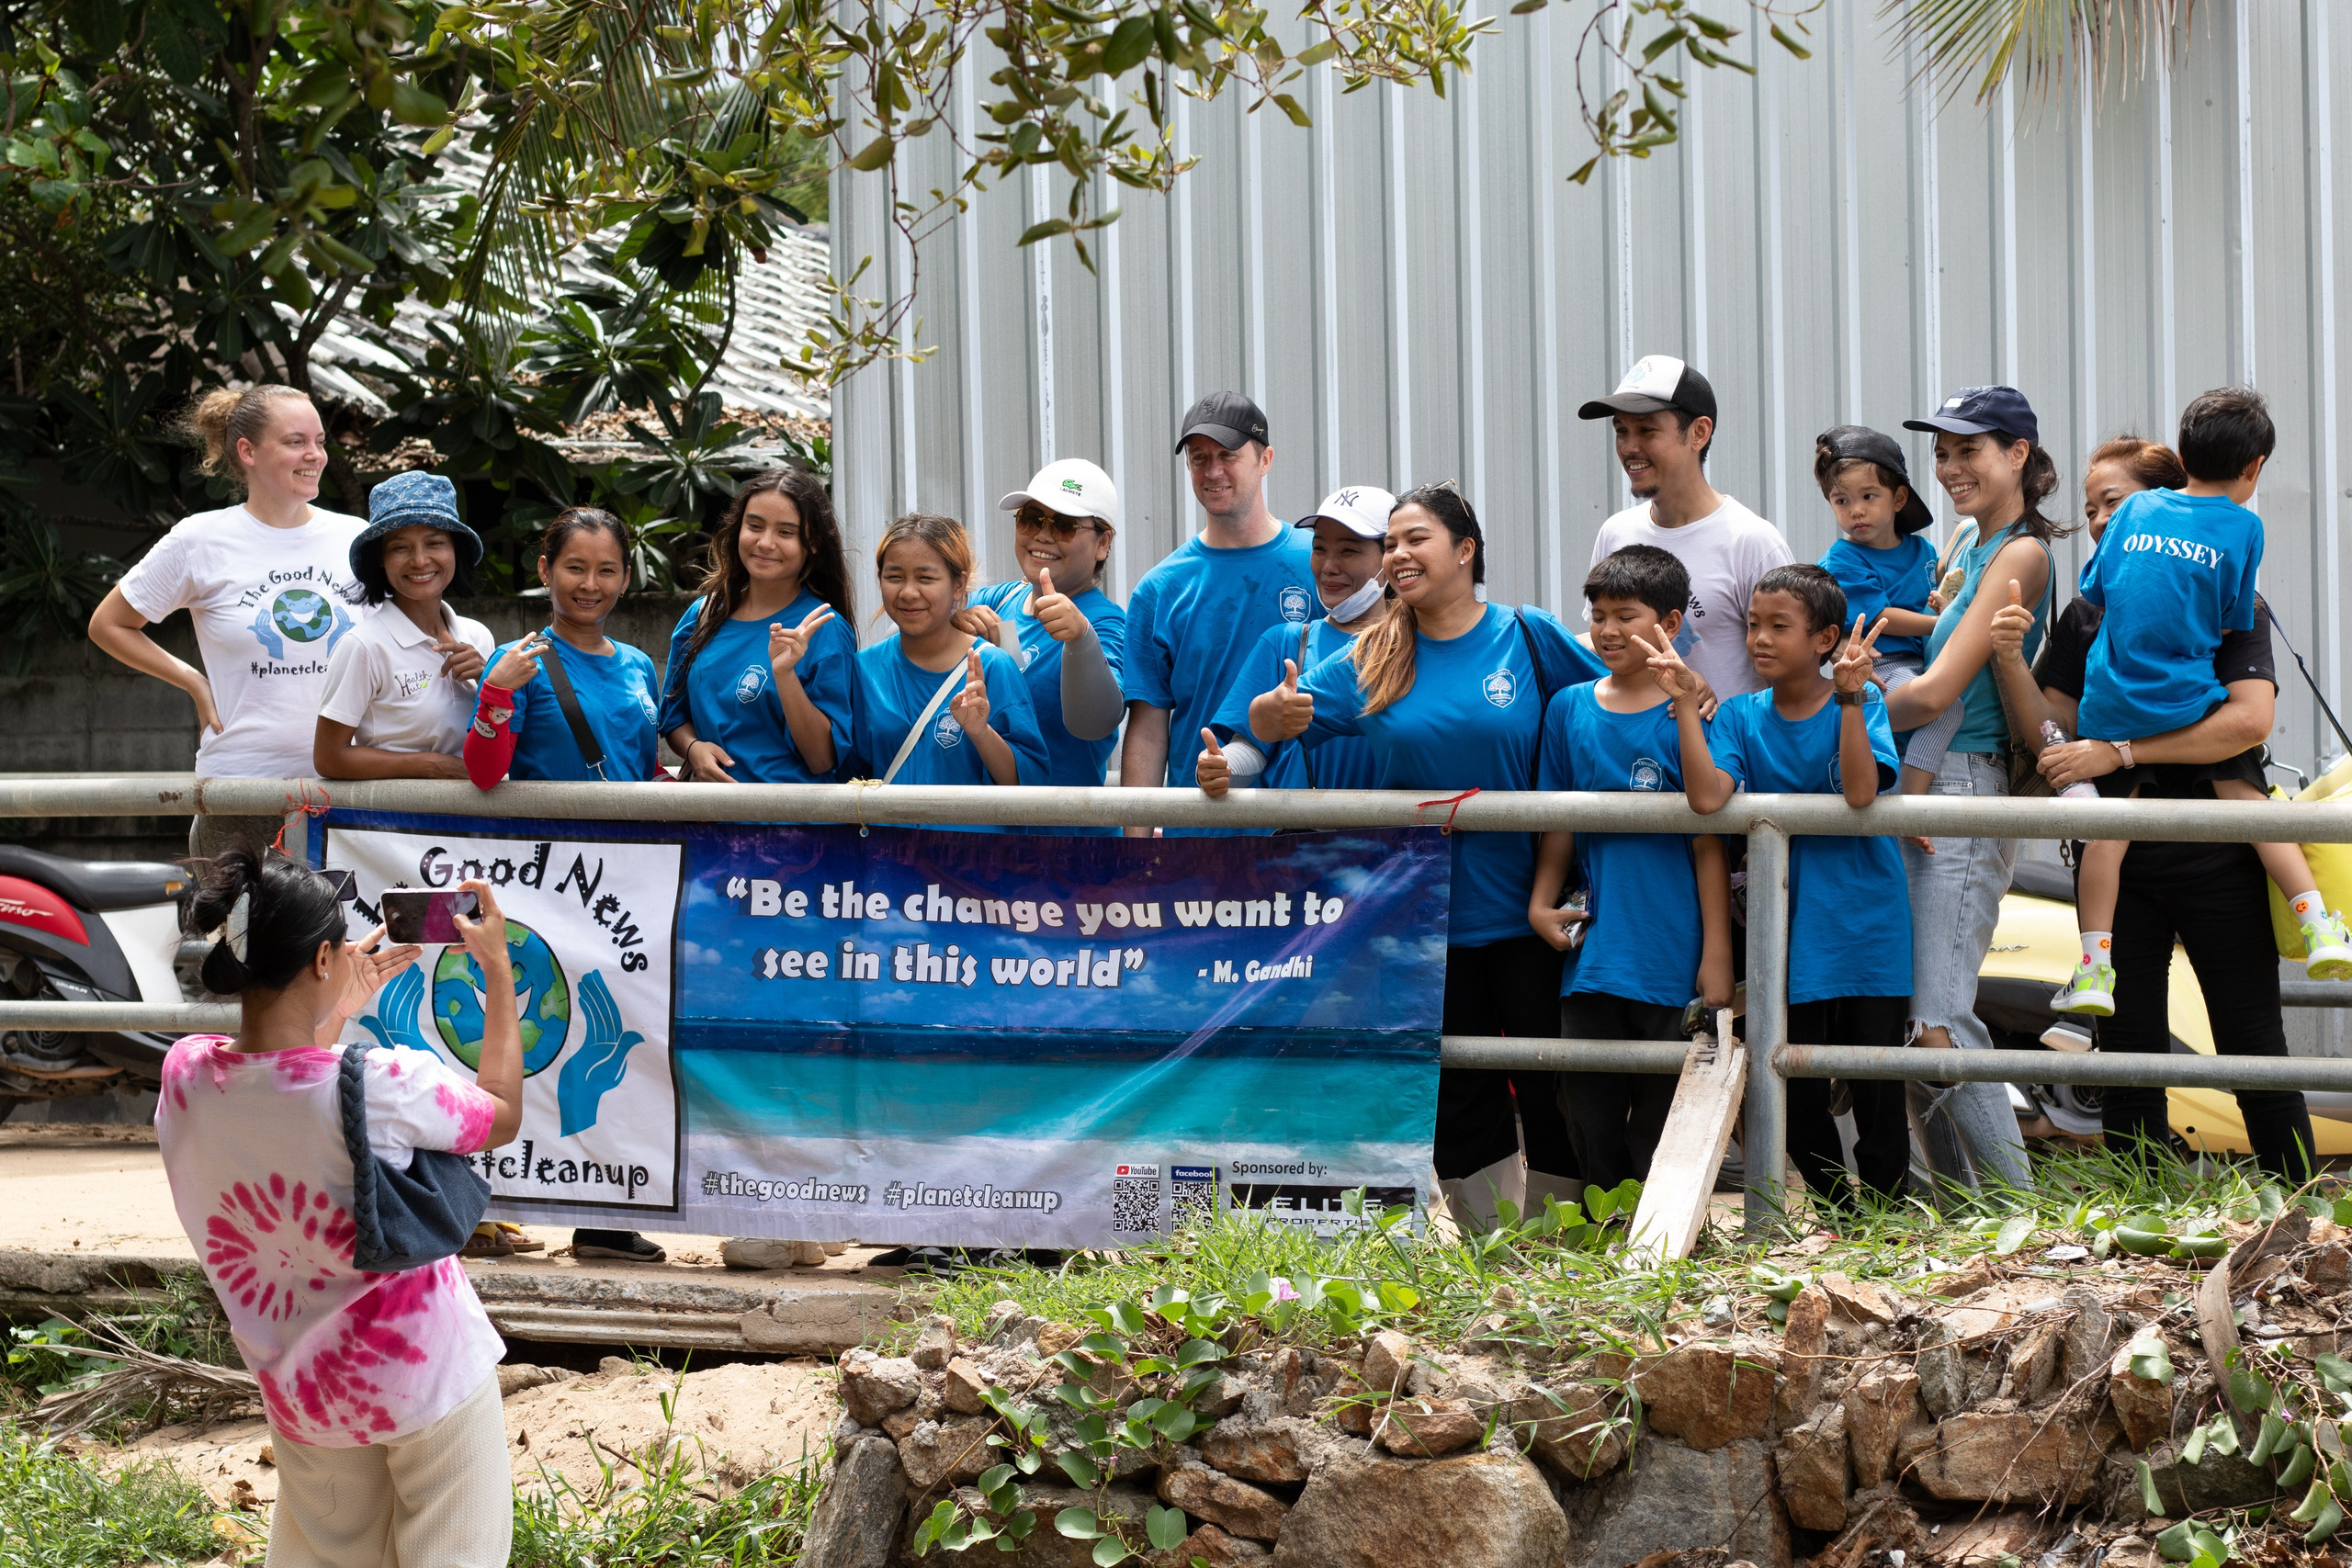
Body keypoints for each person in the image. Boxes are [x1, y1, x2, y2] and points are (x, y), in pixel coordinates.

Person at [155, 854, 523, 1567]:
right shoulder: (384, 1084)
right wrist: (500, 972)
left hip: (304, 1396)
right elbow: (500, 1113)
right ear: (325, 956)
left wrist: (333, 1008)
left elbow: (284, 1091)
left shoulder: (187, 1078)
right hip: (428, 1381)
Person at [1264, 484, 1606, 1226]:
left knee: (1553, 1084)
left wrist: (1691, 697)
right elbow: (1273, 716)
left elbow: (1611, 700)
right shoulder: (1376, 653)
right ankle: (1492, 1250)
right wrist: (1276, 714)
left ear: (1465, 550)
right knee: (1456, 1090)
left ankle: (1561, 1252)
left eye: (1414, 538)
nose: (1397, 554)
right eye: (1390, 543)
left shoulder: (1526, 634)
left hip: (1532, 911)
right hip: (1420, 917)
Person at [1989, 436, 2316, 1179]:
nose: (2102, 520)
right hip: (2115, 860)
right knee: (2128, 1046)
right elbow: (2052, 730)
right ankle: (2146, 1206)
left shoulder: (2228, 597)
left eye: (2116, 504)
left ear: (2161, 506)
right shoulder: (2085, 616)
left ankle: (2300, 1204)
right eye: (2093, 507)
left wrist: (2121, 751)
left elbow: (2247, 721)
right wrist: (2007, 656)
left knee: (2253, 1041)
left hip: (2217, 853)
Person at [2050, 388, 2352, 1015]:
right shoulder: (2246, 526)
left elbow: (2094, 587)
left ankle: (2092, 965)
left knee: (2105, 837)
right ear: (2255, 469)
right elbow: (2233, 613)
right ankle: (2319, 920)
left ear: (2181, 454)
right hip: (2191, 702)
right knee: (2253, 807)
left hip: (2110, 710)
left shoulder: (2135, 513)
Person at [465, 507, 669, 1264]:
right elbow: (484, 773)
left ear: (626, 575)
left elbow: (642, 766)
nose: (592, 583)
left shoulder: (639, 665)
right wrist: (494, 697)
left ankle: (605, 1214)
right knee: (538, 1035)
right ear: (545, 569)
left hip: (629, 886)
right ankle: (491, 1198)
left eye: (607, 568)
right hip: (550, 886)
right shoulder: (518, 660)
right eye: (575, 567)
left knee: (616, 1037)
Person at [1680, 566, 1911, 1212]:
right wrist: (1681, 705)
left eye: (1779, 626)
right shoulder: (1739, 718)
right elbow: (1706, 797)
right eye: (1754, 623)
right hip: (1787, 929)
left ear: (1826, 637)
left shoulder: (1865, 702)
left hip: (1868, 921)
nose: (1759, 638)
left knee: (1878, 1086)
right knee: (1794, 1087)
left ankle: (1889, 1223)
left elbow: (1861, 793)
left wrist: (1848, 697)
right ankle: (1841, 1212)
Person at [1882, 385, 2059, 1196]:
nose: (1950, 467)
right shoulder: (1964, 539)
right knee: (1918, 1020)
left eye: (1970, 450)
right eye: (1943, 452)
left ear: (2018, 454)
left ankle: (2020, 1215)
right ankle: (1964, 1216)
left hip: (1964, 780)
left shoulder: (2022, 552)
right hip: (1928, 778)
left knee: (1939, 1023)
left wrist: (1824, 712)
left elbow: (1936, 690)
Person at [1527, 546, 1733, 1191]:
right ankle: (1606, 1229)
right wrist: (1540, 902)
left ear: (1670, 623)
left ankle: (1658, 1241)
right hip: (1595, 950)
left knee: (1661, 1105)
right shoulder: (1568, 707)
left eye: (1626, 614)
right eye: (1598, 614)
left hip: (1673, 950)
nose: (1607, 630)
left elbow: (1707, 828)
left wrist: (1717, 953)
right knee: (1586, 1100)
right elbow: (1558, 821)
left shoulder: (1696, 712)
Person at [90, 385, 365, 859]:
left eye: (319, 441)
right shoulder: (201, 539)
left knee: (344, 935)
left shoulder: (356, 538)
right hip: (241, 790)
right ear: (247, 451)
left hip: (347, 788)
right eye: (296, 441)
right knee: (239, 934)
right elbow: (109, 624)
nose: (315, 455)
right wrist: (195, 681)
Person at [1119, 392, 1319, 834]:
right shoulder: (1161, 588)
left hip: (1311, 832)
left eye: (1228, 455)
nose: (1213, 472)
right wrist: (1134, 851)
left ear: (1265, 459)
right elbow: (1149, 730)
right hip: (1200, 837)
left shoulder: (1322, 564)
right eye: (1198, 458)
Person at [1580, 355, 1793, 700]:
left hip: (1724, 751)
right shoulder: (1616, 533)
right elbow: (1602, 640)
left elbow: (1793, 673)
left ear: (1699, 433)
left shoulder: (1751, 541)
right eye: (1621, 431)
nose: (1629, 447)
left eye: (1647, 430)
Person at [959, 459, 1128, 832]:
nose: (1043, 535)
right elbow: (905, 641)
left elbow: (1096, 724)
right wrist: (951, 624)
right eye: (1031, 518)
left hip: (1066, 854)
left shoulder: (1105, 621)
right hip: (984, 852)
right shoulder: (997, 599)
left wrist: (1081, 638)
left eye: (1066, 525)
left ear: (1103, 543)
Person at [661, 468, 856, 786]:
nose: (765, 543)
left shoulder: (825, 628)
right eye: (754, 526)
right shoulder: (703, 615)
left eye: (785, 532)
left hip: (789, 826)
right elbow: (672, 717)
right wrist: (693, 748)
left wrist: (785, 676)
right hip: (707, 823)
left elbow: (822, 760)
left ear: (814, 544)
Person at [845, 513, 1050, 814]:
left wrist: (981, 733)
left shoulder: (992, 666)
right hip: (888, 855)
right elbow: (850, 775)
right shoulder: (864, 669)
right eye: (894, 577)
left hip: (971, 856)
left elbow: (1031, 789)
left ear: (958, 586)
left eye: (926, 578)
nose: (908, 592)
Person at [1195, 485, 1392, 795]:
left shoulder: (1420, 645)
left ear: (1389, 558)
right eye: (1320, 548)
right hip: (1305, 842)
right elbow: (1251, 747)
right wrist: (1222, 767)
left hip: (1401, 841)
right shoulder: (1285, 643)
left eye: (1349, 550)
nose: (1329, 566)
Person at [314, 471, 494, 781]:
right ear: (380, 559)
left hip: (475, 827)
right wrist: (430, 765)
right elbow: (329, 758)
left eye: (434, 543)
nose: (420, 560)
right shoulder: (363, 646)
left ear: (455, 550)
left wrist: (490, 677)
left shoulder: (478, 636)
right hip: (393, 827)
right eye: (400, 547)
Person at [1812, 425, 1963, 793]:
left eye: (1868, 496)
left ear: (1898, 499)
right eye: (1841, 501)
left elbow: (1932, 599)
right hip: (1878, 662)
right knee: (1948, 707)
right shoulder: (1843, 558)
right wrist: (1948, 621)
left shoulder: (1925, 552)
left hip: (1920, 660)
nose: (1856, 511)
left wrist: (1942, 606)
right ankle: (1912, 803)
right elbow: (1882, 616)